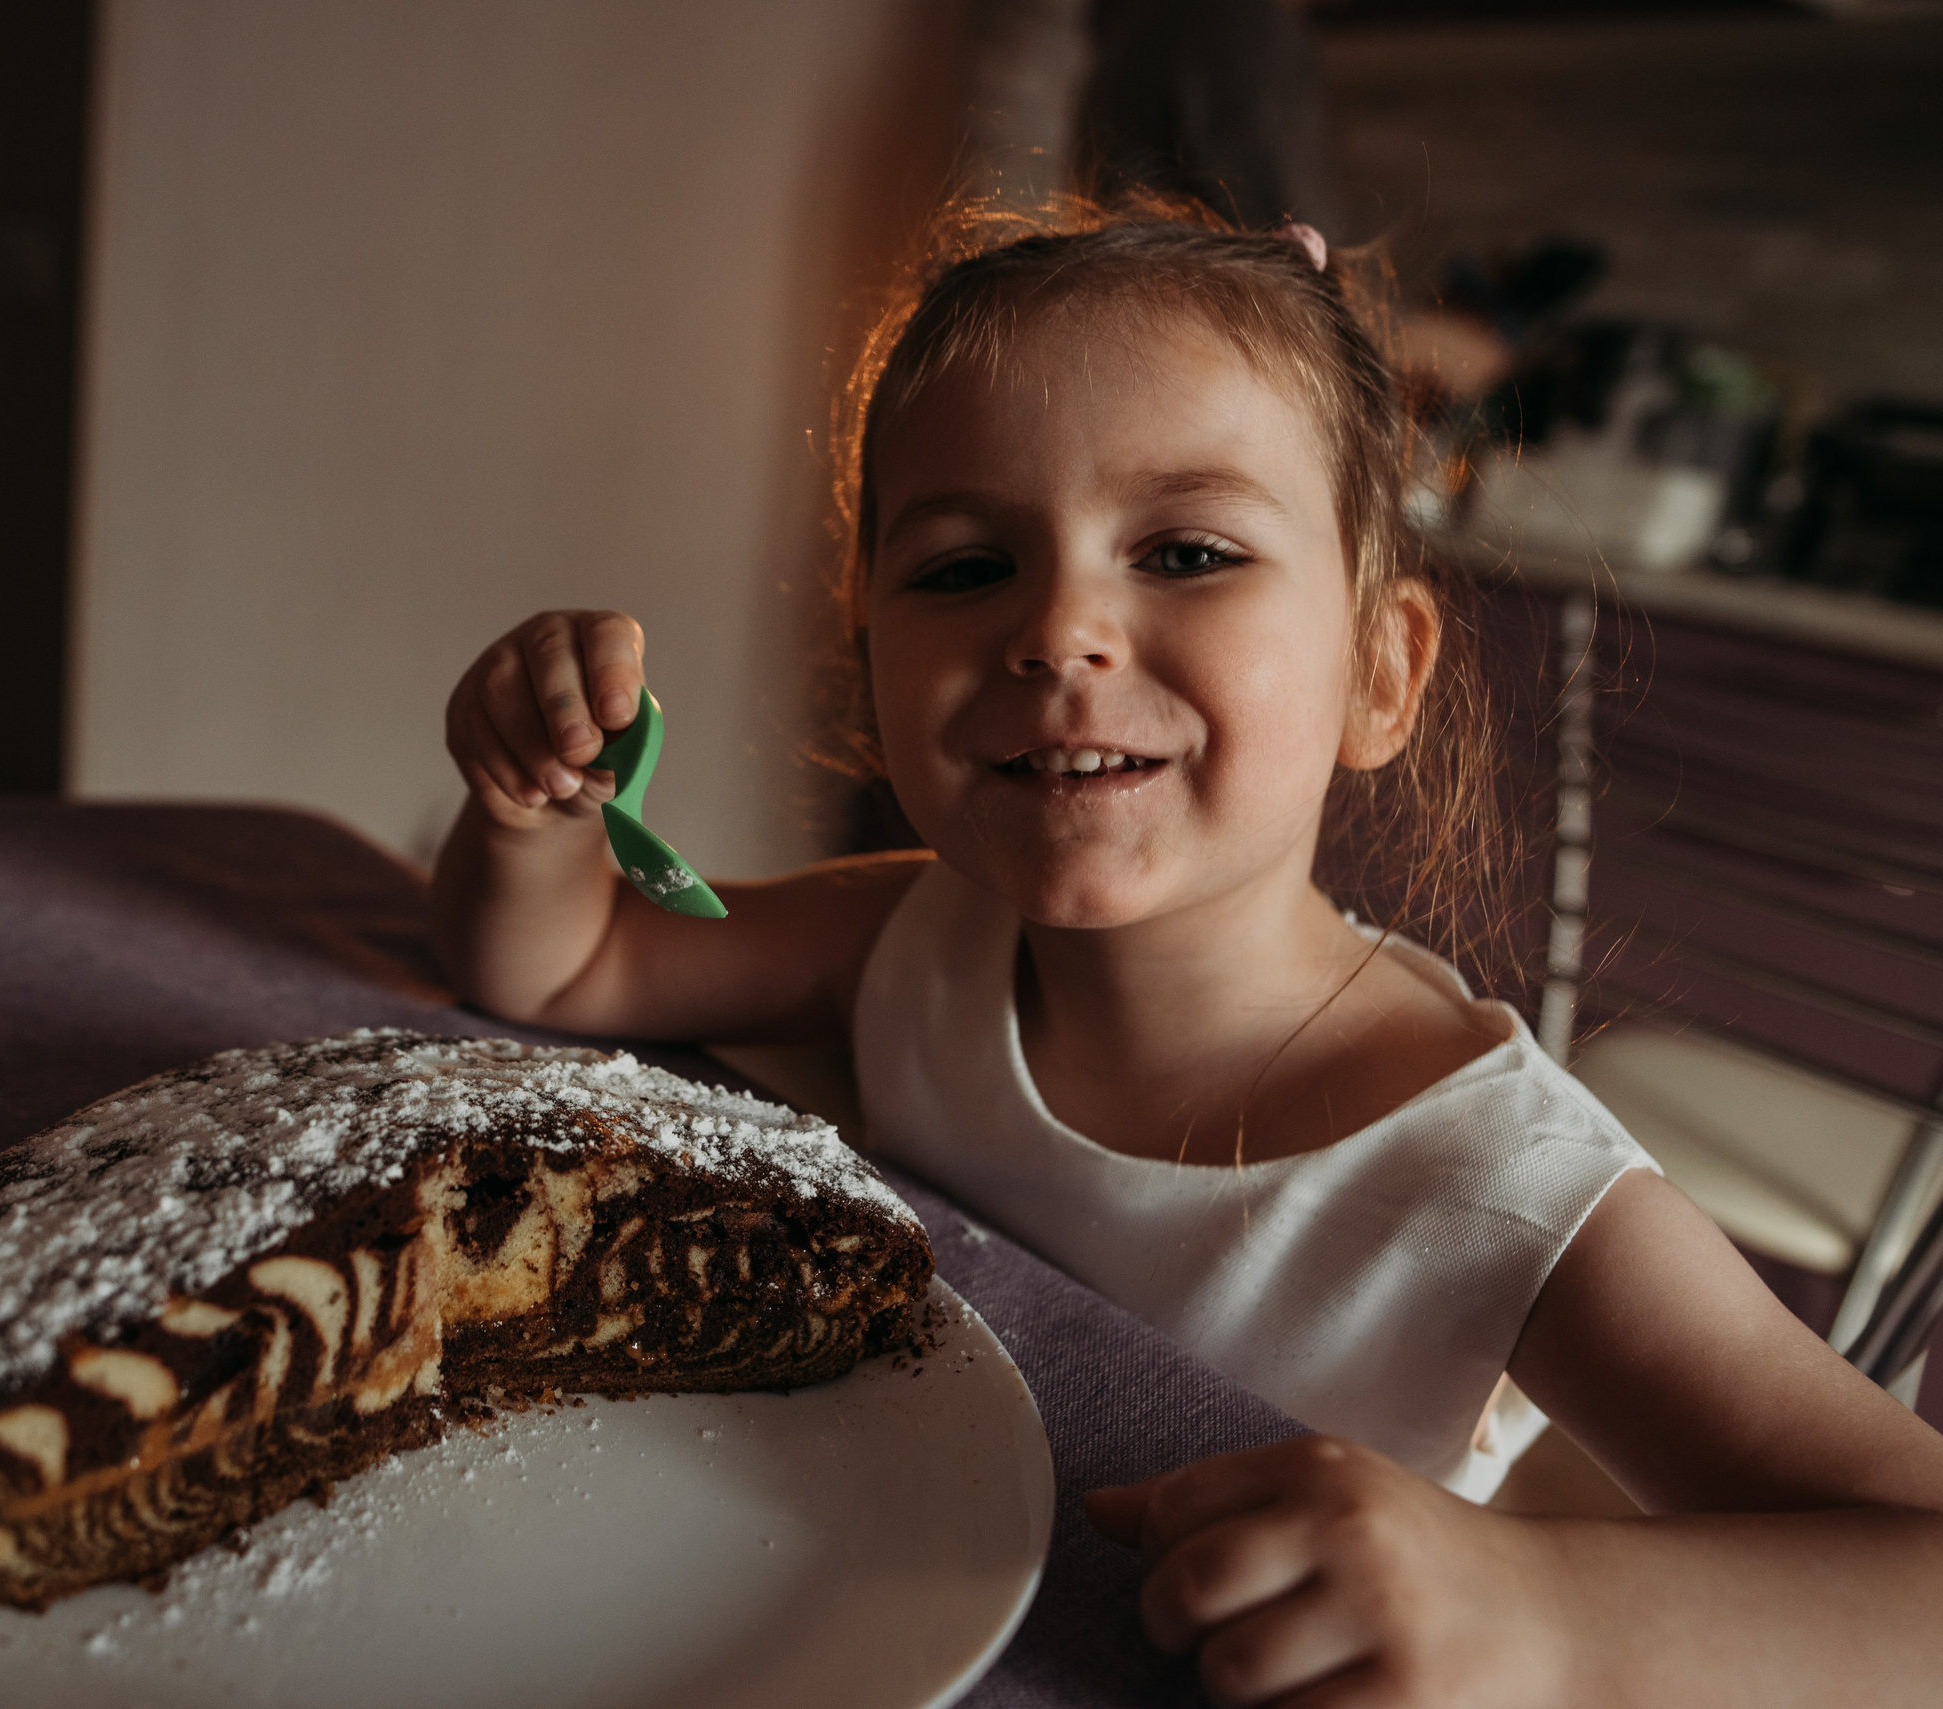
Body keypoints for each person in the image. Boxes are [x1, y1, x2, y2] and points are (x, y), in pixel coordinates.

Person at [430, 196, 1943, 1706]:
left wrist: (1543, 1612)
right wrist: (538, 807)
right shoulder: (913, 933)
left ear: (1382, 671)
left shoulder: (1498, 1183)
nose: (1059, 628)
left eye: (1189, 550)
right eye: (964, 569)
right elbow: (567, 970)